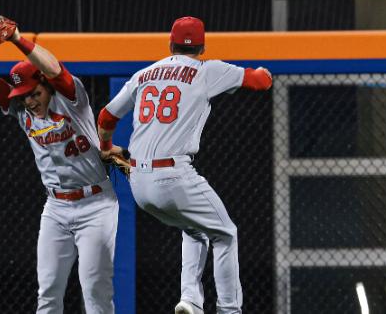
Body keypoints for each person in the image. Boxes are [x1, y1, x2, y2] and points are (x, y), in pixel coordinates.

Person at [97, 16, 272, 314]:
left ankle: (190, 300)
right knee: (225, 233)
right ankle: (230, 309)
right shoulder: (207, 70)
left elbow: (106, 117)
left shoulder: (144, 74)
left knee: (195, 229)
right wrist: (263, 71)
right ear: (202, 46)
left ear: (170, 44)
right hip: (174, 174)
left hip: (138, 182)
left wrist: (105, 148)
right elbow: (260, 82)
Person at [0, 22, 119, 314]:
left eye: (34, 93)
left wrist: (16, 39)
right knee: (48, 292)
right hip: (56, 208)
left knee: (96, 291)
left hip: (96, 205)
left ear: (46, 86)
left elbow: (55, 69)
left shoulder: (71, 99)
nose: (29, 100)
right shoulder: (22, 110)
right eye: (24, 95)